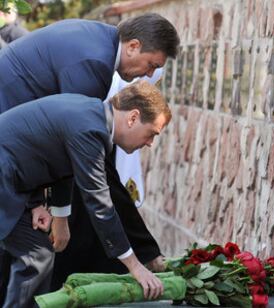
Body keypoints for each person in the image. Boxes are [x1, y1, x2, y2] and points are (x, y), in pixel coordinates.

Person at [0, 12, 179, 303]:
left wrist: (40, 205)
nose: (147, 76)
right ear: (133, 46)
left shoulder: (98, 43)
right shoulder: (94, 66)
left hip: (17, 162)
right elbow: (90, 183)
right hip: (7, 159)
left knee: (35, 254)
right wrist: (135, 262)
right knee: (31, 254)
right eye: (151, 65)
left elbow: (57, 150)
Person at [51, 69, 165, 290]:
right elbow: (101, 198)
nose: (150, 143)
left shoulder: (100, 119)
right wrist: (138, 261)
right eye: (150, 65)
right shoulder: (95, 128)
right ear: (133, 116)